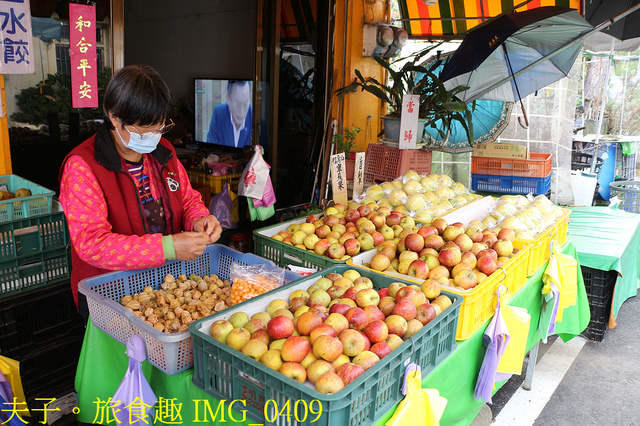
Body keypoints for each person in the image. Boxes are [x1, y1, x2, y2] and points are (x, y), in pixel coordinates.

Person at [59, 64, 222, 310]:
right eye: (143, 131)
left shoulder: (164, 151)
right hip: (110, 293)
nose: (153, 138)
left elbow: (187, 200)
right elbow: (92, 244)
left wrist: (200, 221)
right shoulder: (82, 167)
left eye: (159, 128)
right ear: (114, 117)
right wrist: (167, 247)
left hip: (166, 285)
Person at [206, 80, 253, 148]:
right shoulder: (218, 113)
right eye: (237, 104)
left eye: (245, 103)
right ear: (228, 98)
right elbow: (209, 147)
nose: (241, 111)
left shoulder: (256, 117)